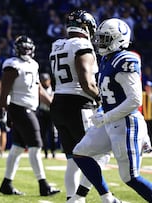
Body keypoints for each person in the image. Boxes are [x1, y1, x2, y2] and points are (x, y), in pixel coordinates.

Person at [72, 18, 152, 203]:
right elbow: (111, 95)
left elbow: (134, 100)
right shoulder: (108, 59)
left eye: (106, 39)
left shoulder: (126, 59)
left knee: (130, 177)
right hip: (110, 121)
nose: (101, 42)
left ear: (120, 39)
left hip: (125, 123)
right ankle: (109, 198)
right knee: (80, 152)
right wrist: (102, 110)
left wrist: (106, 116)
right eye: (100, 38)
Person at [49, 10, 110, 202]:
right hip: (78, 104)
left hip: (58, 101)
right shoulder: (82, 44)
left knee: (73, 159)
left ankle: (72, 199)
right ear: (87, 27)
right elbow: (86, 83)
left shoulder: (57, 44)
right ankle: (98, 197)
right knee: (100, 153)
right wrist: (102, 98)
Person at [0, 35, 60, 196]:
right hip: (19, 109)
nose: (26, 50)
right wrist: (2, 112)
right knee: (36, 146)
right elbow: (4, 91)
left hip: (30, 109)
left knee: (18, 147)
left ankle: (6, 184)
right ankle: (43, 185)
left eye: (28, 47)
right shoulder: (12, 64)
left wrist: (52, 104)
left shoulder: (33, 64)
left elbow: (38, 89)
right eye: (23, 48)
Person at [37, 73, 57, 159]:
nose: (45, 82)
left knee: (52, 133)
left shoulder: (53, 90)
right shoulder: (39, 91)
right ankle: (45, 152)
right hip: (42, 113)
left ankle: (53, 151)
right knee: (43, 133)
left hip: (51, 113)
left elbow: (51, 102)